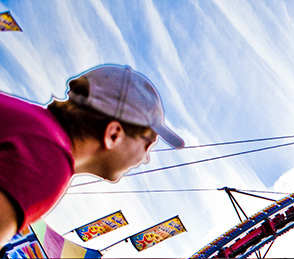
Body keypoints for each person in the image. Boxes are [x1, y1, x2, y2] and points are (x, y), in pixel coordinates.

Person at [0, 64, 184, 246]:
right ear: (114, 134)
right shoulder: (48, 162)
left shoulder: (33, 124)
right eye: (148, 144)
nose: (146, 158)